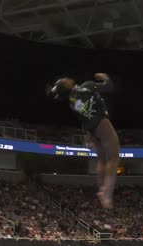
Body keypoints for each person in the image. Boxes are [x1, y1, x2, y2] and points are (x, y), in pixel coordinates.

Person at [47, 73, 120, 208]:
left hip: (91, 129)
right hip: (101, 122)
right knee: (114, 158)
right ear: (67, 85)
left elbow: (82, 119)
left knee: (102, 159)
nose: (66, 77)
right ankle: (107, 194)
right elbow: (109, 87)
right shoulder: (86, 86)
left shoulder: (71, 102)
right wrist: (105, 78)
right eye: (64, 79)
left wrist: (87, 137)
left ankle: (101, 189)